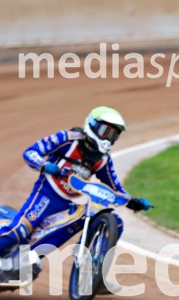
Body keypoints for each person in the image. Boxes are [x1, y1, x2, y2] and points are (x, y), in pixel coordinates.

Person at [0, 106, 152, 280]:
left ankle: (96, 275)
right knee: (20, 230)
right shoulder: (67, 139)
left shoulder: (103, 160)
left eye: (113, 135)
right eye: (105, 131)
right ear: (92, 125)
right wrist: (44, 166)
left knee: (112, 221)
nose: (108, 139)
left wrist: (132, 201)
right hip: (46, 194)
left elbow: (115, 187)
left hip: (68, 204)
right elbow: (31, 152)